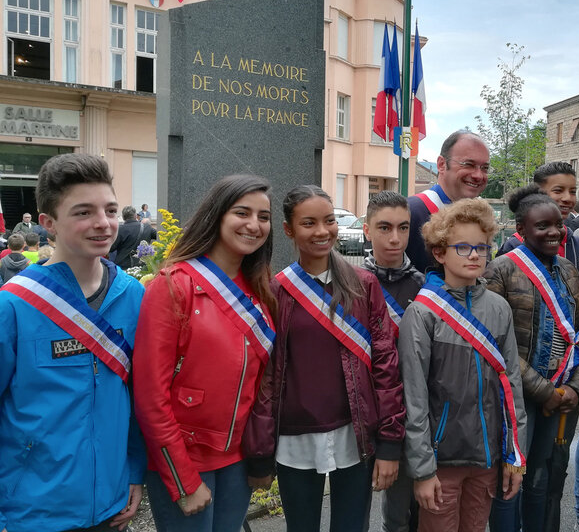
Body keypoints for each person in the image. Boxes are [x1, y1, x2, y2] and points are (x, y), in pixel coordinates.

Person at [244, 185, 405, 532]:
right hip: (295, 439)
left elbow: (386, 367)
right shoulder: (275, 291)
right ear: (288, 229)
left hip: (355, 434)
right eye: (308, 223)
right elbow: (266, 377)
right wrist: (259, 450)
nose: (322, 231)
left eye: (329, 221)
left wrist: (390, 443)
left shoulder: (364, 286)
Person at [0, 153, 146, 532]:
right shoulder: (12, 305)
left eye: (110, 209)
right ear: (48, 223)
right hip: (33, 510)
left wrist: (134, 469)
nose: (103, 223)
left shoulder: (133, 296)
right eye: (83, 212)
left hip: (112, 505)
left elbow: (138, 395)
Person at [134, 175, 277, 531]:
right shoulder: (172, 286)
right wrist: (183, 480)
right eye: (242, 212)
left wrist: (260, 457)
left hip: (239, 460)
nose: (254, 225)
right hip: (186, 459)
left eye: (264, 216)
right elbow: (151, 397)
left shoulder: (261, 290)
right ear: (216, 215)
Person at [399, 198, 527, 532]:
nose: (474, 255)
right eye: (463, 247)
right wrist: (423, 469)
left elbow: (511, 384)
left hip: (487, 459)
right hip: (442, 461)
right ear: (439, 253)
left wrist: (514, 455)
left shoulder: (499, 308)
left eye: (482, 248)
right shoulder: (422, 313)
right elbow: (414, 399)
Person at [496, 162, 579, 530]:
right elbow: (499, 345)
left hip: (564, 392)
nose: (554, 232)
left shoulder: (570, 270)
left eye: (558, 224)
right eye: (542, 226)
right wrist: (545, 392)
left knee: (546, 476)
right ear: (521, 229)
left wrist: (577, 386)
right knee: (514, 477)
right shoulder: (502, 270)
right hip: (523, 397)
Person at [361, 190, 425, 532]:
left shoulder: (424, 287)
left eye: (403, 227)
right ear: (367, 230)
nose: (395, 238)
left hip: (407, 412)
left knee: (403, 512)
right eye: (384, 227)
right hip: (361, 410)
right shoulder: (349, 285)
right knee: (355, 508)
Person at [407, 130, 490, 273]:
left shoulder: (482, 219)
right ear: (441, 165)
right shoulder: (412, 212)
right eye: (468, 164)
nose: (478, 175)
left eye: (485, 168)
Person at [110, 206, 157, 270]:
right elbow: (160, 236)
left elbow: (111, 248)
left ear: (123, 217)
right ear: (135, 216)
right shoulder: (147, 228)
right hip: (143, 267)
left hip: (123, 267)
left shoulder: (119, 230)